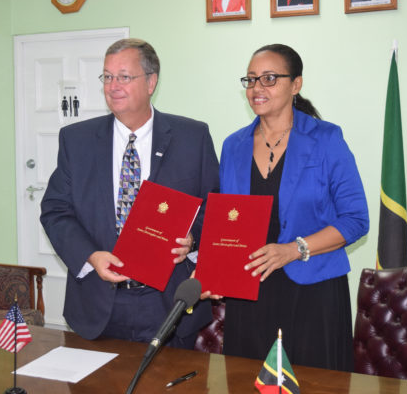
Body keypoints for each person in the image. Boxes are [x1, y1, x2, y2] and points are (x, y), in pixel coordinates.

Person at [40, 38, 219, 349]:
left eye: (124, 76)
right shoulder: (77, 140)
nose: (113, 86)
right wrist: (90, 256)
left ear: (151, 82)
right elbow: (55, 210)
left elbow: (213, 209)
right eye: (107, 76)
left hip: (169, 303)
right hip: (98, 302)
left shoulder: (192, 137)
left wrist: (193, 239)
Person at [215, 44, 369, 371]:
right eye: (251, 79)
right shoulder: (233, 145)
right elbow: (226, 220)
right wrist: (214, 267)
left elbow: (356, 220)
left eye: (269, 78)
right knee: (246, 382)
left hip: (313, 294)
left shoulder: (326, 139)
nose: (257, 88)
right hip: (249, 296)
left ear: (295, 84)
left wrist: (293, 250)